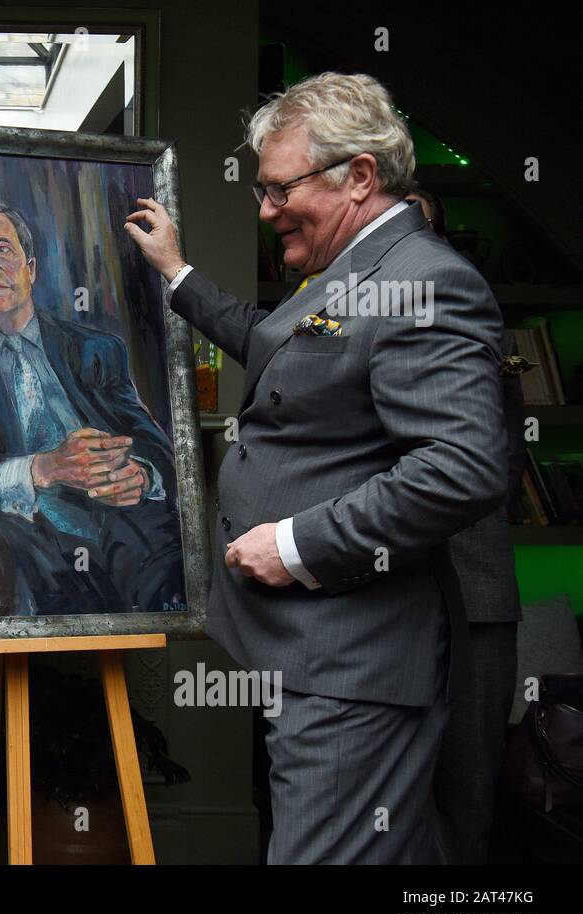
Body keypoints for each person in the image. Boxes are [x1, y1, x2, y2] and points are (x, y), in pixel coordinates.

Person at [125, 72, 507, 863]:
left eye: (278, 189)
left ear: (360, 176)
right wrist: (176, 273)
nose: (264, 211)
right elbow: (278, 346)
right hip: (306, 656)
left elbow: (463, 467)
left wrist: (295, 543)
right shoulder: (346, 275)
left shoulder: (422, 282)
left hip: (351, 668)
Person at [0, 195, 183, 617]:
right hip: (29, 541)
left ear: (32, 268)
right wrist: (42, 469)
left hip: (126, 529)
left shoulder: (95, 350)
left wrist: (141, 475)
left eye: (2, 250)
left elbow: (162, 454)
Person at [408, 185, 530, 864]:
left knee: (469, 793)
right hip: (379, 602)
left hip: (477, 595)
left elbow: (506, 452)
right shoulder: (342, 315)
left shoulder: (482, 321)